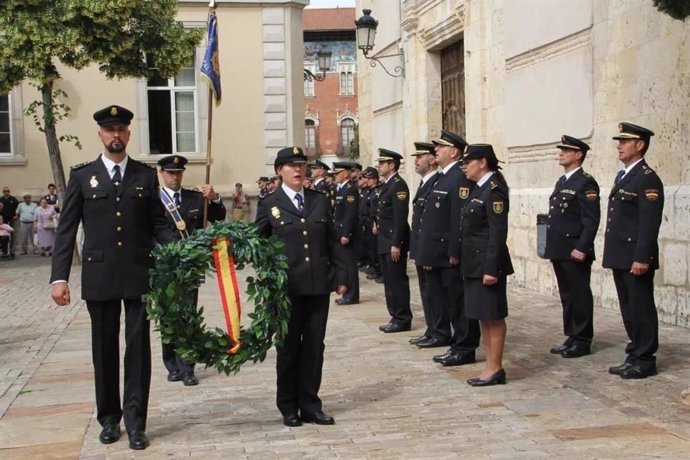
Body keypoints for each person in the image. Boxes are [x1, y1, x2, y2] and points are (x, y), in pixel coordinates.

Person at [50, 105, 175, 450]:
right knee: (104, 350)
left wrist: (179, 253)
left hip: (138, 273)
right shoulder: (82, 176)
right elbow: (66, 231)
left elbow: (158, 223)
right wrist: (58, 277)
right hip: (100, 274)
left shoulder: (144, 175)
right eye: (110, 130)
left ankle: (136, 422)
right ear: (100, 135)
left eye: (121, 130)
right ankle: (109, 418)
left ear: (129, 134)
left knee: (137, 351)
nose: (115, 135)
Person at [255, 146, 347, 427]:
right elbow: (258, 243)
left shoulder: (320, 200)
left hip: (318, 284)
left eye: (301, 165)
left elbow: (332, 240)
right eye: (291, 166)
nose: (298, 170)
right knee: (288, 347)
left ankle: (310, 403)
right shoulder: (269, 203)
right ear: (279, 171)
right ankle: (288, 406)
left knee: (314, 347)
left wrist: (342, 277)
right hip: (287, 289)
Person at [157, 154, 226, 386]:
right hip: (164, 268)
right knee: (167, 315)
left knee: (188, 315)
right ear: (162, 173)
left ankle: (187, 367)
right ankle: (171, 365)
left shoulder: (195, 198)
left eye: (178, 173)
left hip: (189, 268)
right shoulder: (153, 200)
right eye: (170, 173)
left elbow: (218, 217)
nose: (174, 177)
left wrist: (214, 198)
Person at [603, 122, 664, 379]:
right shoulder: (625, 175)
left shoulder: (647, 178)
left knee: (640, 308)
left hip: (635, 257)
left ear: (640, 145)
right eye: (619, 141)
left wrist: (642, 257)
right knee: (629, 308)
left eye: (625, 142)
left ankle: (645, 358)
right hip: (621, 255)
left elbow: (649, 224)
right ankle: (635, 351)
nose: (620, 146)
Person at [417, 130, 480, 367]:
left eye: (440, 147)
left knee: (459, 302)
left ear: (453, 152)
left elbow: (459, 219)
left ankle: (465, 347)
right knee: (450, 302)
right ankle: (456, 343)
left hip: (449, 254)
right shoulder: (443, 177)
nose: (436, 150)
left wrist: (454, 250)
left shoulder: (459, 178)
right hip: (439, 253)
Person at [461, 144, 513, 386]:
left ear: (482, 162)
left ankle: (496, 367)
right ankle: (490, 365)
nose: (465, 167)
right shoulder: (478, 189)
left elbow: (497, 233)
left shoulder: (494, 190)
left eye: (468, 161)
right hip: (474, 264)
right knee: (483, 316)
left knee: (493, 316)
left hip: (487, 265)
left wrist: (491, 268)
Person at [546, 135, 600, 358]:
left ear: (578, 155)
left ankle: (582, 339)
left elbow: (591, 219)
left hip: (575, 250)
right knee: (567, 295)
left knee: (579, 294)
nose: (561, 153)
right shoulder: (563, 181)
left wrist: (582, 247)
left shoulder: (585, 182)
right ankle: (572, 335)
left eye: (566, 150)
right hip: (560, 248)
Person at [374, 149, 412, 332]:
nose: (379, 166)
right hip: (384, 240)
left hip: (392, 242)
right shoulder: (387, 184)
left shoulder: (398, 185)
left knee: (397, 281)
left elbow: (400, 218)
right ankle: (395, 315)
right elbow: (383, 212)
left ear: (392, 165)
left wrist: (397, 243)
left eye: (382, 163)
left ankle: (402, 317)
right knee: (389, 281)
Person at [408, 142, 440, 345]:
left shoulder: (437, 182)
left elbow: (435, 222)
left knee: (435, 293)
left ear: (432, 160)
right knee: (426, 291)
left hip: (430, 249)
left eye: (420, 157)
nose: (416, 161)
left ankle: (439, 331)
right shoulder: (424, 183)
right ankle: (432, 329)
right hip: (421, 247)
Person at [332, 161, 360, 305]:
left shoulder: (350, 189)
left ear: (346, 174)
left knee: (349, 264)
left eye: (337, 173)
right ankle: (348, 293)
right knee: (345, 263)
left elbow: (350, 214)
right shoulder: (341, 189)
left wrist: (346, 234)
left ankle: (352, 295)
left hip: (346, 233)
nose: (335, 176)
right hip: (340, 231)